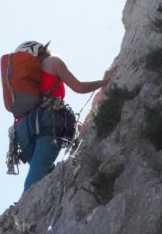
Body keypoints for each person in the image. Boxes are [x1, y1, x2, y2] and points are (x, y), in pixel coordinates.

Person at [14, 41, 109, 193]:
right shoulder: (52, 62)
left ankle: (37, 202)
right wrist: (104, 82)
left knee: (41, 170)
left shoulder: (25, 80)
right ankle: (23, 211)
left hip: (21, 132)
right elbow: (80, 87)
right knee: (37, 177)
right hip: (47, 121)